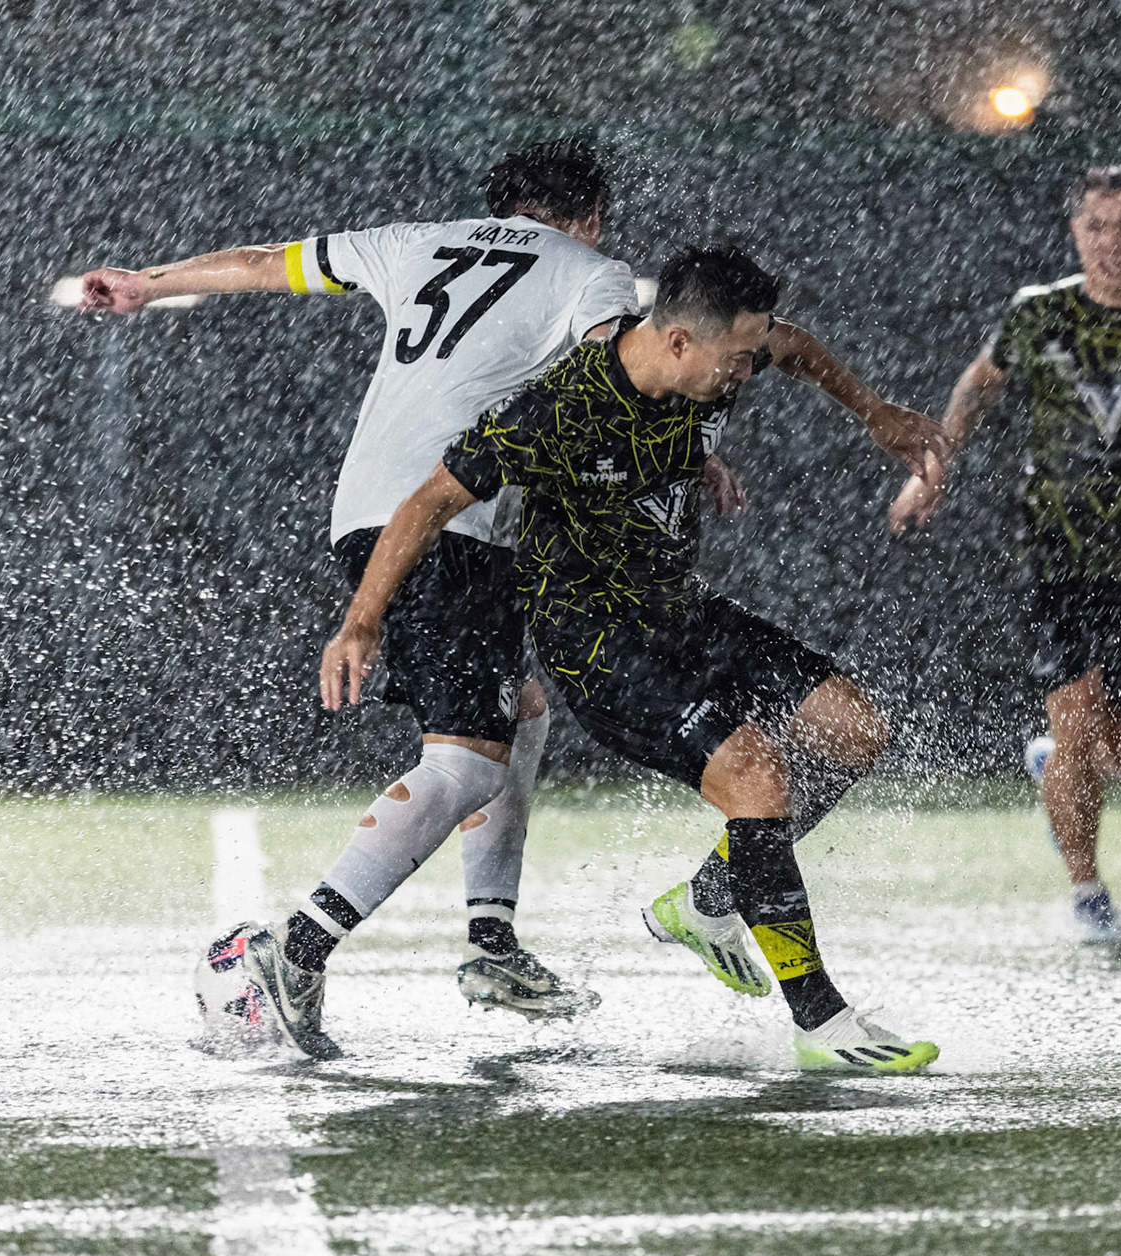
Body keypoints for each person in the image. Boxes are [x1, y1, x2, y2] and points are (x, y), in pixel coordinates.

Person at [82, 140, 687, 1051]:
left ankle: (491, 938)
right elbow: (617, 377)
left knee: (516, 716)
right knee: (467, 764)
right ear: (592, 216)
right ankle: (294, 950)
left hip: (366, 509)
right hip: (453, 519)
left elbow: (259, 264)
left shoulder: (417, 242)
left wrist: (147, 282)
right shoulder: (592, 270)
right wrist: (690, 451)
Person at [319, 245, 946, 1071]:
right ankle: (822, 1025)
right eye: (736, 358)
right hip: (598, 642)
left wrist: (875, 413)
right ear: (679, 342)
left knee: (855, 729)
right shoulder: (559, 408)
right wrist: (361, 621)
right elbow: (430, 501)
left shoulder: (731, 354)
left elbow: (790, 345)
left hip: (680, 611)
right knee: (758, 779)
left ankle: (708, 900)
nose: (748, 371)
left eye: (752, 355)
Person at [890, 165, 1121, 939]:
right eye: (1097, 226)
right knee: (1077, 721)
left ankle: (1059, 770)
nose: (1112, 242)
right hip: (1056, 553)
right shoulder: (1038, 315)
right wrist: (931, 472)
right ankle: (1088, 896)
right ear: (1074, 231)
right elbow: (976, 389)